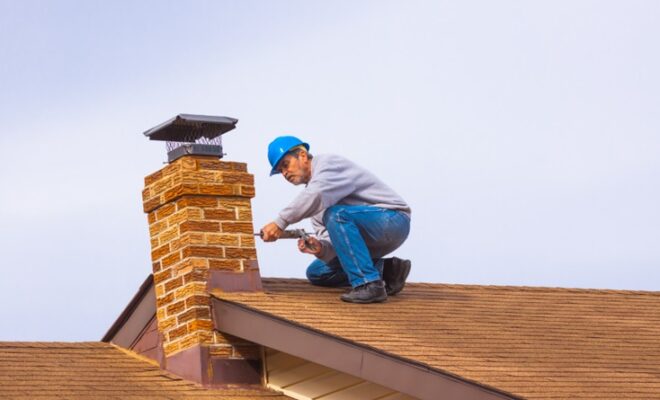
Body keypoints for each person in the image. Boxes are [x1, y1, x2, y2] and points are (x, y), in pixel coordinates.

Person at [260, 136, 412, 303]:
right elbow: (334, 245)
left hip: (393, 219)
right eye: (281, 171)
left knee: (337, 215)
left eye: (285, 165)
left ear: (302, 155)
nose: (285, 173)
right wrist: (321, 249)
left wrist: (280, 222)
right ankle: (388, 270)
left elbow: (316, 194)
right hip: (368, 237)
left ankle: (369, 284)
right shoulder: (316, 207)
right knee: (318, 272)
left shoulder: (328, 164)